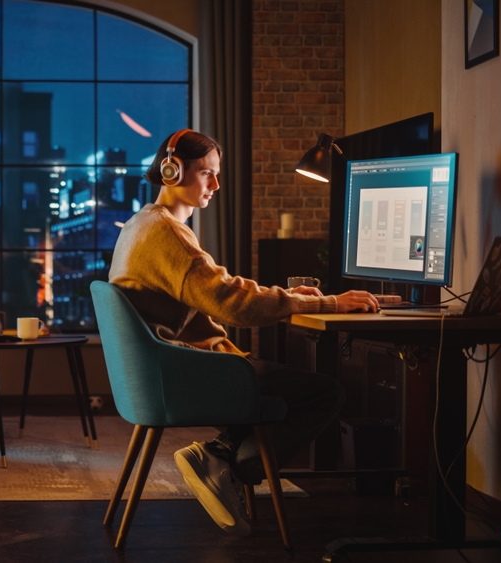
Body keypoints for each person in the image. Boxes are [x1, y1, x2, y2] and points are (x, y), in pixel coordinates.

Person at [109, 129, 378, 536]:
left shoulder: (140, 224)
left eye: (217, 174)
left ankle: (220, 455)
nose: (216, 185)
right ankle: (229, 464)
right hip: (190, 376)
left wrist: (288, 295)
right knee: (327, 393)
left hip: (160, 375)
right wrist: (330, 302)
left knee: (273, 386)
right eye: (206, 174)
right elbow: (234, 305)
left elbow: (221, 288)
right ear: (171, 170)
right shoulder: (166, 234)